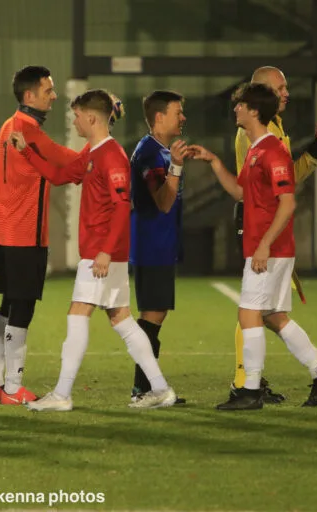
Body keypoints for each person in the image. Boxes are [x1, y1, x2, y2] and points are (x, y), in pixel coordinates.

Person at [10, 89, 177, 411]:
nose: (73, 121)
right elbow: (60, 175)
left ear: (90, 117)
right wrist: (28, 153)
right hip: (103, 252)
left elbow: (121, 205)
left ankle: (62, 394)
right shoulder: (93, 152)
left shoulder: (111, 156)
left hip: (102, 253)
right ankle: (160, 388)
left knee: (78, 314)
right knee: (122, 320)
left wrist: (105, 251)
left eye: (76, 115)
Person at [190, 82, 317, 410]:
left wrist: (264, 246)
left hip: (268, 250)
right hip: (266, 249)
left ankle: (251, 390)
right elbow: (242, 193)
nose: (235, 110)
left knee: (248, 315)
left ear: (254, 111)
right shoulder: (256, 147)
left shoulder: (273, 151)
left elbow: (287, 204)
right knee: (274, 316)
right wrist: (214, 161)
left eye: (240, 105)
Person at [229, 66, 317, 403]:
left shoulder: (268, 136)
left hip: (265, 228)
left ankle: (248, 385)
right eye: (280, 88)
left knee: (251, 308)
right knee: (270, 314)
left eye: (284, 88)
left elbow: (284, 185)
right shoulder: (260, 133)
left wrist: (316, 148)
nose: (286, 93)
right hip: (265, 225)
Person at [0, 65, 80, 405]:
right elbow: (67, 161)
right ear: (30, 96)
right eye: (48, 90)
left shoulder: (8, 125)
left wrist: (9, 201)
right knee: (22, 307)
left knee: (9, 304)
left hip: (5, 231)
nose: (53, 96)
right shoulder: (29, 130)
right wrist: (101, 146)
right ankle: (12, 387)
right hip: (26, 234)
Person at [128, 91, 190, 404]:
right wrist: (177, 167)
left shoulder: (162, 151)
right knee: (151, 315)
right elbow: (164, 203)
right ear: (159, 117)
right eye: (178, 112)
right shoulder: (149, 153)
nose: (183, 118)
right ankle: (143, 390)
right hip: (150, 245)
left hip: (161, 245)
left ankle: (149, 386)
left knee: (156, 315)